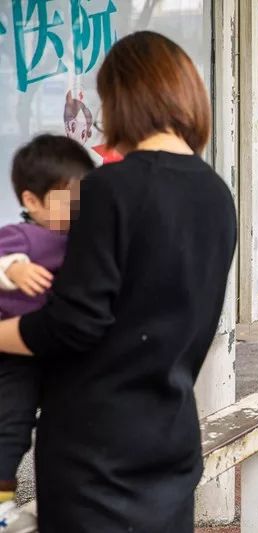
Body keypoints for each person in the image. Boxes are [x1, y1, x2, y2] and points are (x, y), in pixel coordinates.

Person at [0, 31, 237, 532]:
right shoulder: (217, 195)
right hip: (172, 435)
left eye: (107, 100)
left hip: (96, 450)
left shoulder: (109, 189)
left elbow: (73, 324)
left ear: (126, 98)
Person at [0, 135, 95, 532]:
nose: (76, 207)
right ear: (32, 201)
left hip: (54, 349)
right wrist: (14, 270)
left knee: (65, 424)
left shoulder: (81, 237)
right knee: (12, 425)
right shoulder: (21, 236)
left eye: (81, 197)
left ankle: (61, 496)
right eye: (66, 198)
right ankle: (2, 505)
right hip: (13, 353)